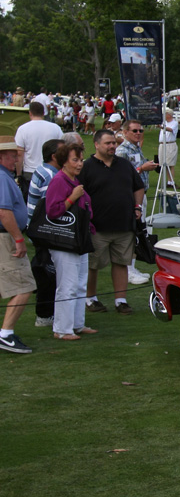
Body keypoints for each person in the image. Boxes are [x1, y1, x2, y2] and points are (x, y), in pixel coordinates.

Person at [80, 129, 145, 315]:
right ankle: (90, 299)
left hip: (124, 225)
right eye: (107, 143)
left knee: (121, 262)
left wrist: (137, 206)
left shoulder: (124, 165)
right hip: (97, 227)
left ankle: (121, 300)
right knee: (93, 265)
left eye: (113, 143)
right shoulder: (86, 167)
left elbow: (138, 187)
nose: (112, 146)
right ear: (97, 144)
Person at [46, 141, 97, 340]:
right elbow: (52, 211)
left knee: (79, 283)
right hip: (64, 240)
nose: (79, 164)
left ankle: (77, 323)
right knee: (67, 284)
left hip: (79, 238)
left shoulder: (74, 180)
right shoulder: (59, 181)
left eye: (80, 160)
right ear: (63, 162)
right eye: (75, 160)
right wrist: (72, 198)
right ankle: (62, 329)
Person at [0, 136, 35, 354]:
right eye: (13, 156)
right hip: (6, 238)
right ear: (2, 156)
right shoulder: (3, 178)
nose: (16, 160)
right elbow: (4, 212)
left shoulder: (6, 176)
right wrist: (19, 240)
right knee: (24, 287)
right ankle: (5, 334)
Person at [115, 120, 159, 286]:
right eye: (134, 131)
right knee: (132, 232)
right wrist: (142, 168)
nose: (138, 133)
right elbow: (120, 175)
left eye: (140, 130)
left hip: (141, 194)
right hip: (131, 196)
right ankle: (127, 270)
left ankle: (131, 267)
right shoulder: (122, 151)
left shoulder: (136, 148)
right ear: (125, 132)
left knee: (140, 231)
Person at [26, 138, 63, 328]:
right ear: (55, 155)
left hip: (37, 228)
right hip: (44, 231)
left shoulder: (44, 170)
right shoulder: (51, 175)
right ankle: (45, 314)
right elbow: (51, 207)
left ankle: (46, 313)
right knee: (47, 273)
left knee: (45, 270)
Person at [15, 101, 63, 199]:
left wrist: (18, 174)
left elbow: (20, 154)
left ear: (30, 113)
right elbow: (63, 150)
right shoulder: (55, 128)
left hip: (30, 172)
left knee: (31, 201)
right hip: (52, 170)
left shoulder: (23, 129)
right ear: (43, 113)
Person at [157, 108, 179, 184]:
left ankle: (171, 182)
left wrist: (162, 127)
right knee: (164, 163)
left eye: (165, 114)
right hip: (162, 145)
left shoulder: (174, 123)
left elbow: (170, 129)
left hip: (170, 144)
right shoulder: (164, 122)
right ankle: (167, 181)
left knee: (170, 163)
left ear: (169, 115)